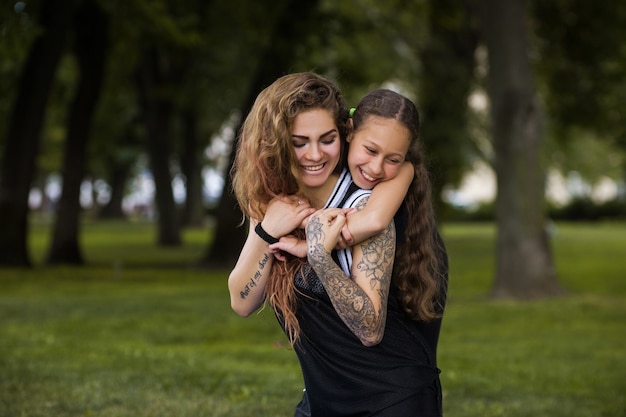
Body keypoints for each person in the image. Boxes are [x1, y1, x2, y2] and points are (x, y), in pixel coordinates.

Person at [229, 74, 448, 416]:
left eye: (326, 139)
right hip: (322, 401)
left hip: (390, 402)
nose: (314, 154)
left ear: (344, 132)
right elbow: (241, 301)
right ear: (276, 142)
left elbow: (370, 329)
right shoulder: (274, 203)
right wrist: (267, 231)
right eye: (299, 141)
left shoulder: (367, 201)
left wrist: (318, 253)